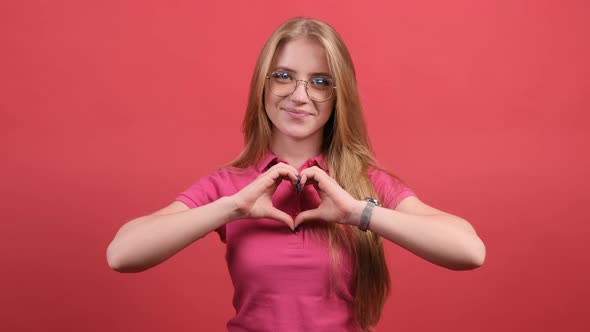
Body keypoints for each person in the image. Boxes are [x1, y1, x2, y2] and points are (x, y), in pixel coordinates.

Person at [106, 17, 486, 331]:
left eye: (320, 81)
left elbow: (469, 251)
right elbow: (122, 254)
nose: (300, 95)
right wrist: (231, 208)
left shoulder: (365, 185)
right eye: (284, 76)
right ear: (262, 85)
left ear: (339, 97)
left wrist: (359, 213)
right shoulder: (230, 186)